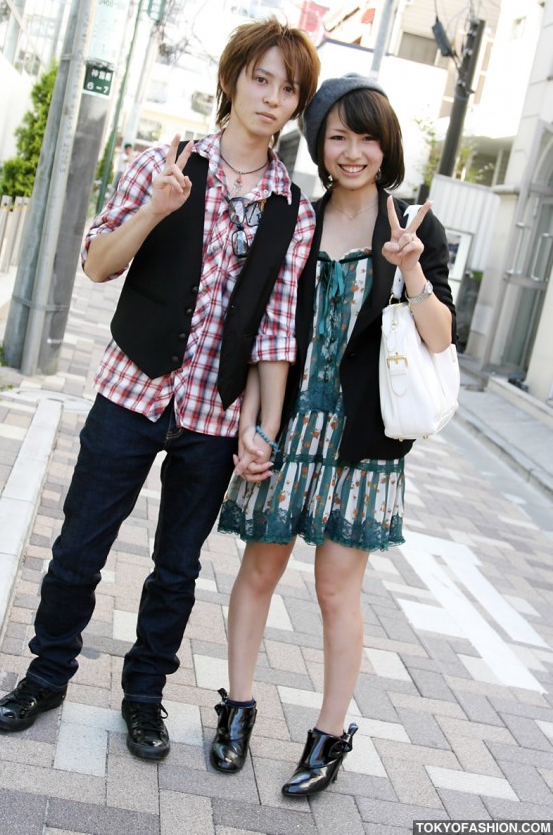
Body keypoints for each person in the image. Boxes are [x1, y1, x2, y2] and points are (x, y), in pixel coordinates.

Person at [0, 17, 320, 762]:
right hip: (130, 393)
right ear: (231, 78)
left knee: (177, 571)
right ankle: (46, 676)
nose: (271, 97)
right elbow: (98, 264)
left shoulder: (290, 207)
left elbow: (276, 327)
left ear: (297, 105)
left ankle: (145, 700)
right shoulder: (162, 163)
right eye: (260, 78)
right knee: (79, 546)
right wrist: (156, 209)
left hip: (213, 415)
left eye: (288, 88)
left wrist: (259, 425)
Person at [209, 73, 456, 796]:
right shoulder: (297, 218)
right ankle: (239, 707)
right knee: (259, 570)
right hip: (290, 429)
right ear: (318, 144)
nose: (353, 151)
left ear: (388, 145)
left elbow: (441, 339)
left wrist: (411, 268)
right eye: (338, 136)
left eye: (367, 136)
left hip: (364, 443)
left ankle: (328, 733)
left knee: (335, 593)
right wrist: (256, 426)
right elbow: (264, 332)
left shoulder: (415, 225)